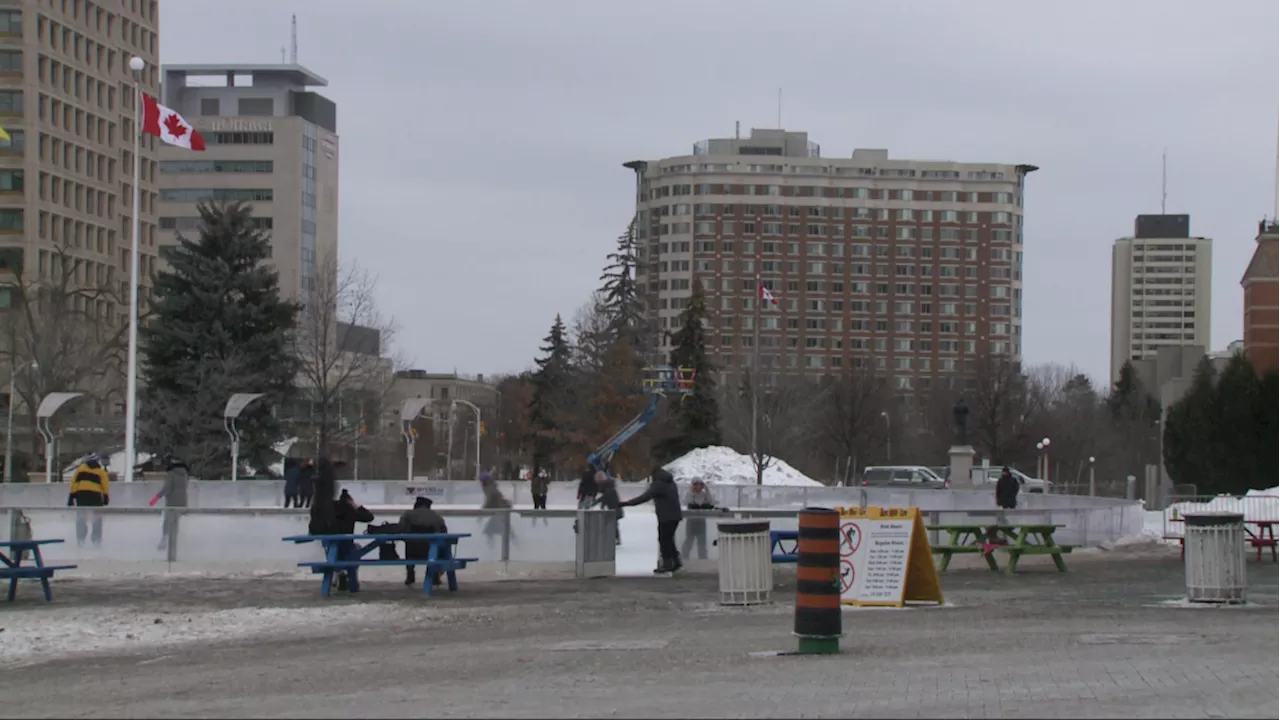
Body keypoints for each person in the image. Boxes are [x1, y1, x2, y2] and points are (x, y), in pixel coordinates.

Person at [619, 466, 683, 574]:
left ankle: (667, 564)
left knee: (664, 540)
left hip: (665, 517)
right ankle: (676, 562)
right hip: (675, 516)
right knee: (669, 539)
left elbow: (644, 497)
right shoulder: (671, 482)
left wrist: (626, 503)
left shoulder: (659, 484)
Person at [399, 496, 448, 587]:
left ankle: (410, 575)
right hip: (432, 551)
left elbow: (401, 530)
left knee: (409, 542)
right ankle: (435, 576)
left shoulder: (407, 515)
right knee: (440, 547)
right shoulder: (437, 517)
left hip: (412, 552)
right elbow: (444, 534)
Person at [67, 453, 110, 548]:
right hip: (95, 496)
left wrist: (72, 496)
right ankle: (96, 540)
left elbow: (74, 482)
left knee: (81, 518)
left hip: (82, 495)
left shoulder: (80, 469)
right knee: (97, 518)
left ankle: (80, 539)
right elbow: (105, 484)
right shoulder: (100, 471)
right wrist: (106, 496)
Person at [154, 455, 189, 551]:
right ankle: (175, 542)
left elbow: (167, 488)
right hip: (183, 501)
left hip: (172, 501)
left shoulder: (171, 473)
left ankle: (165, 540)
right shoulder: (185, 473)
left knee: (167, 521)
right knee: (175, 521)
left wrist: (157, 496)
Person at [681, 478, 716, 560]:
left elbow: (711, 502)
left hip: (701, 520)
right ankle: (684, 557)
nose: (698, 487)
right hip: (691, 521)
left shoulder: (704, 494)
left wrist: (707, 490)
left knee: (702, 542)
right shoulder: (689, 494)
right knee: (689, 540)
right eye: (696, 485)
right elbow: (687, 502)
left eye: (700, 485)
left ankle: (703, 558)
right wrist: (691, 491)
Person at [592, 470, 623, 545]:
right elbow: (604, 497)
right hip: (613, 509)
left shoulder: (608, 489)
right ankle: (615, 538)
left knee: (612, 524)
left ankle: (615, 538)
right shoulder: (608, 487)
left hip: (614, 509)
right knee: (612, 524)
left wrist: (600, 504)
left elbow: (605, 498)